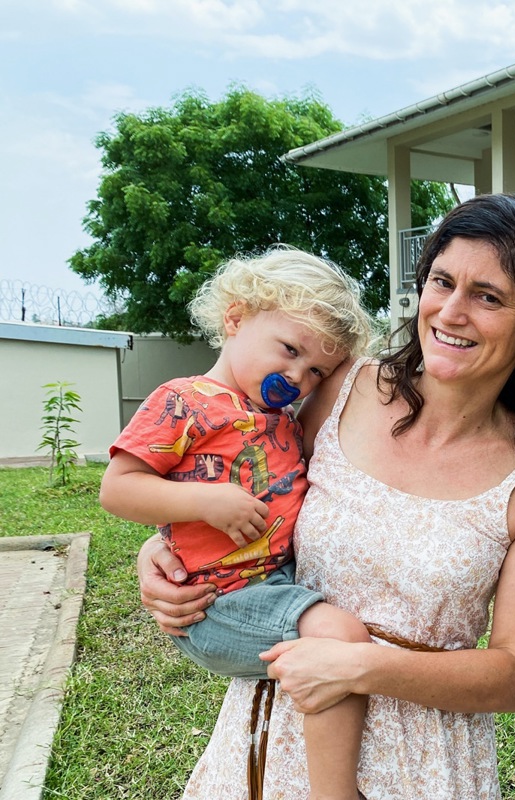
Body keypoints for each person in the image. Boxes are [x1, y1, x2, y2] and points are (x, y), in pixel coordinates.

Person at [135, 194, 515, 799]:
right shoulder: (338, 389)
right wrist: (160, 552)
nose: (451, 312)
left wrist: (358, 665)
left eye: (488, 297)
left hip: (420, 763)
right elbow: (245, 487)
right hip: (275, 735)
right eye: (442, 282)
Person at [101, 247, 376, 800]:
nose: (297, 376)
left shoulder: (280, 418)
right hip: (222, 600)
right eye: (290, 350)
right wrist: (207, 503)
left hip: (271, 584)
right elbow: (118, 488)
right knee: (341, 638)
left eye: (315, 370)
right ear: (235, 318)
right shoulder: (182, 401)